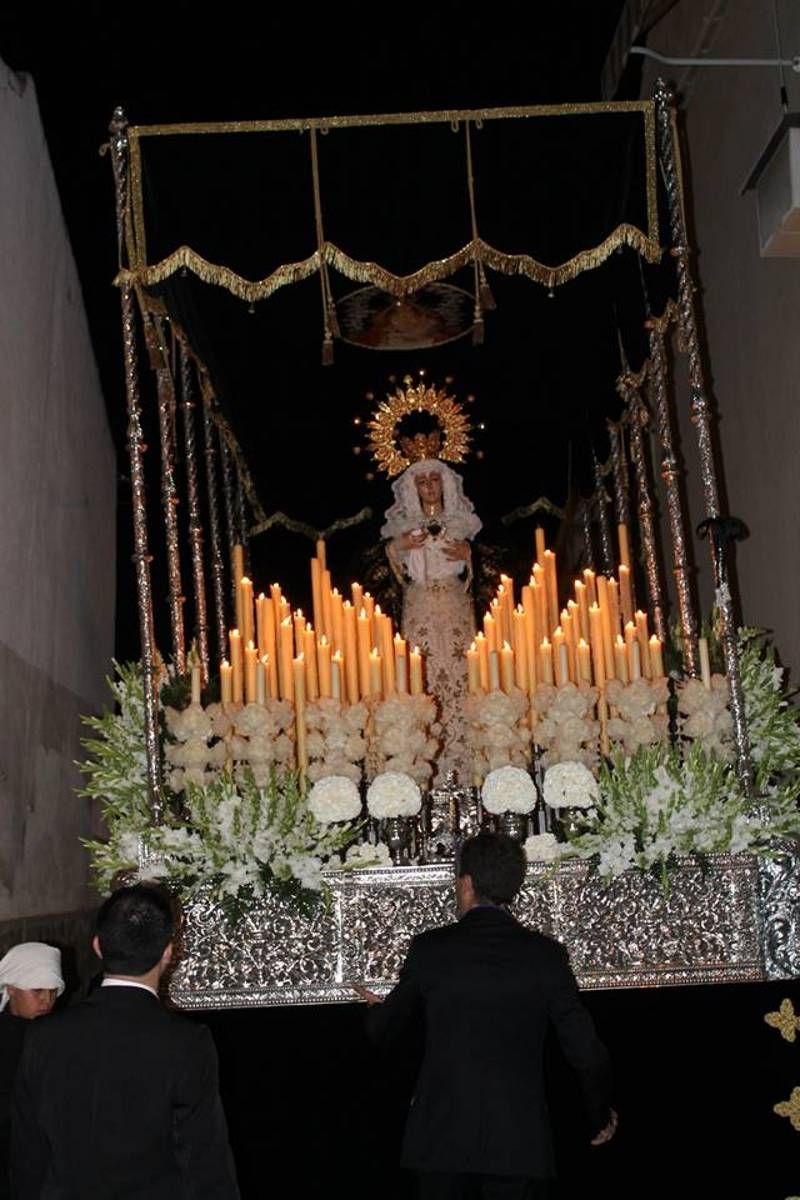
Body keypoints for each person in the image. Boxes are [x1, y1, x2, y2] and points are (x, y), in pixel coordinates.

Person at [355, 832, 617, 1199]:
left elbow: (383, 1032)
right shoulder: (545, 955)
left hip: (440, 1144)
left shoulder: (431, 949)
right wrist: (598, 1114)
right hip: (518, 1146)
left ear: (466, 884)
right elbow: (586, 1051)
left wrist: (374, 1011)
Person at [11, 884, 240, 1199]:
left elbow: (27, 1155)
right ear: (168, 953)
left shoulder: (43, 1035)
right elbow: (206, 1162)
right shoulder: (186, 1042)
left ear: (98, 947)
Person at [382, 457, 481, 784]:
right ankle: (429, 770)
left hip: (453, 606)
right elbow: (395, 571)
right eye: (422, 482)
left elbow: (475, 571)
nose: (428, 488)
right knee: (422, 676)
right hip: (421, 606)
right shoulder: (403, 526)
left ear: (445, 484)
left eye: (433, 481)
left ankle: (466, 764)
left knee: (460, 675)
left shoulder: (462, 522)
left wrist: (468, 556)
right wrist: (399, 547)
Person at [0, 944, 63, 1198]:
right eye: (37, 990)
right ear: (11, 988)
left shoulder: (58, 1034)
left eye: (52, 991)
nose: (46, 1000)